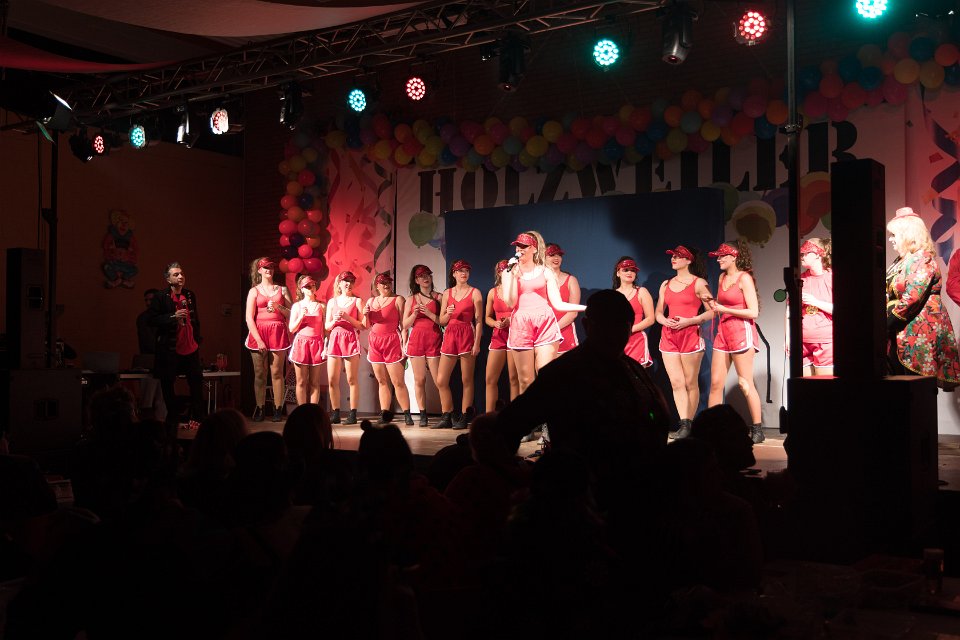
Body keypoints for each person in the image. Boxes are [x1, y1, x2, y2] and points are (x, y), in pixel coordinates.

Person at [496, 290, 670, 509]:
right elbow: (509, 424)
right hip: (582, 498)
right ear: (588, 326)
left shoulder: (633, 369)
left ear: (629, 328)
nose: (613, 335)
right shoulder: (562, 373)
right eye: (606, 326)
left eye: (620, 327)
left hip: (636, 494)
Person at [501, 231, 586, 394]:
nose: (520, 249)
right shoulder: (509, 272)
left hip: (545, 323)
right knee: (525, 380)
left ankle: (547, 410)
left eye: (524, 246)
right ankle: (529, 411)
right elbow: (510, 302)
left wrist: (586, 308)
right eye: (518, 246)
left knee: (545, 375)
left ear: (534, 249)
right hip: (521, 324)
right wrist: (511, 275)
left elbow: (558, 304)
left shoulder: (545, 271)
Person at [885, 206, 960, 388]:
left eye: (894, 235)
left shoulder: (923, 259)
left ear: (907, 235)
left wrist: (888, 323)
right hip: (900, 331)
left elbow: (913, 296)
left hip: (918, 333)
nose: (890, 239)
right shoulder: (900, 261)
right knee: (898, 386)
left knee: (917, 389)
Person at [705, 241, 763, 444]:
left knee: (744, 383)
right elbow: (719, 307)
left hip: (741, 331)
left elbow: (753, 312)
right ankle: (712, 428)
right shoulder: (722, 277)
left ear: (733, 256)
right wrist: (711, 303)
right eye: (718, 256)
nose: (719, 260)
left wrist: (725, 309)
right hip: (723, 332)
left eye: (722, 256)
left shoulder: (744, 278)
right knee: (715, 383)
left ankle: (757, 428)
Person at [655, 245, 713, 439]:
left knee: (690, 382)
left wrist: (690, 321)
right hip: (669, 336)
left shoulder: (699, 283)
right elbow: (658, 312)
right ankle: (684, 423)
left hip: (690, 335)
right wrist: (664, 320)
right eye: (672, 256)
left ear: (689, 260)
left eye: (678, 256)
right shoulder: (666, 284)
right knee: (676, 382)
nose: (674, 259)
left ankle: (689, 423)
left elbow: (712, 311)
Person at [147, 262, 205, 429]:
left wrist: (197, 338)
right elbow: (151, 319)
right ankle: (173, 418)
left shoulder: (189, 295)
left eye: (182, 274)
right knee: (167, 383)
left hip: (191, 347)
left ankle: (198, 418)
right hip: (170, 349)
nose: (180, 277)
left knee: (196, 382)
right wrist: (173, 316)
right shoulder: (160, 296)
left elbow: (195, 319)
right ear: (168, 279)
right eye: (176, 274)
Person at [434, 259, 483, 429]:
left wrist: (477, 343)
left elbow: (478, 321)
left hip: (467, 334)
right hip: (450, 334)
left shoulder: (475, 293)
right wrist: (448, 314)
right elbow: (442, 320)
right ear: (454, 273)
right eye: (461, 270)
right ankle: (447, 415)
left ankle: (464, 415)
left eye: (466, 271)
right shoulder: (447, 293)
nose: (464, 273)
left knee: (466, 379)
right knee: (441, 380)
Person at [245, 257, 292, 422]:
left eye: (271, 267)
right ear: (259, 270)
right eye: (265, 267)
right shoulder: (254, 291)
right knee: (260, 373)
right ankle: (260, 408)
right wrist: (258, 340)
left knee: (277, 372)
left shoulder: (282, 290)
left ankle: (278, 409)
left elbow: (291, 313)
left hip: (277, 332)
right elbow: (249, 318)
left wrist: (278, 307)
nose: (269, 270)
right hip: (259, 333)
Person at [363, 271, 413, 426]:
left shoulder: (398, 299)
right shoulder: (371, 301)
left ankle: (407, 414)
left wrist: (405, 345)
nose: (387, 285)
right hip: (375, 341)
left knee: (397, 381)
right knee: (381, 380)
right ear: (377, 285)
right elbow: (366, 325)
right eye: (383, 283)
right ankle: (384, 413)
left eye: (388, 282)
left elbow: (404, 325)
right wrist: (365, 315)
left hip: (392, 340)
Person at [785, 238, 834, 376]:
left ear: (818, 254)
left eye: (806, 253)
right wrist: (788, 338)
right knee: (805, 387)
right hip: (802, 341)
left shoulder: (832, 277)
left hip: (825, 341)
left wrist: (815, 302)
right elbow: (789, 311)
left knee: (823, 385)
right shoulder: (801, 280)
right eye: (801, 253)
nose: (802, 256)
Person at [402, 265, 443, 426]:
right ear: (416, 280)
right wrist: (414, 313)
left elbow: (443, 321)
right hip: (417, 341)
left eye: (428, 275)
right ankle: (423, 413)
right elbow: (405, 325)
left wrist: (429, 313)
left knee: (440, 381)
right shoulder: (411, 299)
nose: (425, 278)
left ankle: (447, 413)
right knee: (419, 380)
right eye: (421, 276)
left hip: (434, 339)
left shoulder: (439, 297)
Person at [325, 271, 365, 425]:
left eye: (351, 281)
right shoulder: (332, 302)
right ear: (339, 283)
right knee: (332, 379)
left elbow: (363, 325)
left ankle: (352, 413)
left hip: (350, 339)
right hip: (335, 338)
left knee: (351, 379)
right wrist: (334, 321)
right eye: (345, 281)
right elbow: (327, 326)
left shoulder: (357, 301)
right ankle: (335, 412)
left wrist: (348, 318)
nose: (348, 284)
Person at [484, 260, 519, 411]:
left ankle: (515, 417)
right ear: (498, 273)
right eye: (501, 270)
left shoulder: (518, 289)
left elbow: (525, 312)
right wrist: (495, 323)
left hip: (516, 334)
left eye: (507, 270)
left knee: (514, 378)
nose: (504, 273)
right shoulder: (493, 292)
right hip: (498, 336)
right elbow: (487, 317)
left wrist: (511, 320)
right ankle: (488, 416)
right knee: (490, 379)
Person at [288, 275, 326, 406]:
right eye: (307, 286)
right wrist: (301, 317)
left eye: (313, 285)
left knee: (315, 382)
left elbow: (325, 330)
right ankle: (302, 411)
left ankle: (313, 412)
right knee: (301, 381)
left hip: (316, 343)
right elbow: (292, 329)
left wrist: (326, 346)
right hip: (301, 344)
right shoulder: (297, 306)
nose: (311, 288)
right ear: (302, 289)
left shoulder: (321, 306)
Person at [614, 257, 655, 367]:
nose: (629, 273)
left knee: (635, 375)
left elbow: (650, 319)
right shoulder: (613, 295)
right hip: (617, 342)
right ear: (618, 273)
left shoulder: (641, 292)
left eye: (633, 270)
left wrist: (629, 330)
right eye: (625, 270)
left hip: (636, 341)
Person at [545, 243, 581, 356]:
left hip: (564, 335)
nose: (556, 258)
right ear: (542, 257)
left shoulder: (571, 280)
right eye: (552, 255)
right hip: (542, 336)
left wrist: (553, 329)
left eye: (559, 255)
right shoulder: (537, 281)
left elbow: (573, 313)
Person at [136, 288, 159, 355]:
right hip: (151, 356)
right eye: (146, 300)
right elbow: (148, 341)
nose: (148, 303)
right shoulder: (143, 318)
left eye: (151, 300)